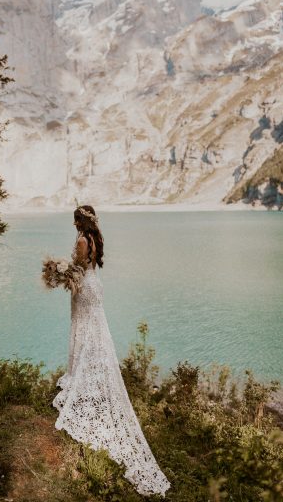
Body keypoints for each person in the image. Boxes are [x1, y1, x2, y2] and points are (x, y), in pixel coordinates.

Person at [52, 205, 171, 497]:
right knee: (94, 333)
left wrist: (62, 273)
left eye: (75, 218)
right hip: (95, 286)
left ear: (81, 220)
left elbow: (78, 269)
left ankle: (80, 378)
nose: (73, 221)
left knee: (83, 331)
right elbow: (87, 268)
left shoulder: (82, 240)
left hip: (85, 289)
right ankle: (87, 374)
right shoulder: (95, 238)